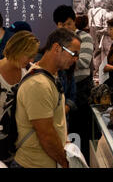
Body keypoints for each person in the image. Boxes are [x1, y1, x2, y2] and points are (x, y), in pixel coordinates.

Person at [11, 28, 81, 168]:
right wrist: (64, 162)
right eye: (73, 54)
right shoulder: (38, 84)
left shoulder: (50, 76)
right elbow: (46, 135)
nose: (76, 59)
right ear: (56, 48)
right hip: (33, 164)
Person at [53, 5, 94, 161]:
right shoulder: (56, 40)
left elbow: (84, 61)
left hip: (82, 90)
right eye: (61, 25)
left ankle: (83, 162)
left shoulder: (84, 37)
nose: (66, 28)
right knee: (64, 131)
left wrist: (62, 61)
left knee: (81, 132)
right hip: (61, 90)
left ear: (75, 21)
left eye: (69, 23)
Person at [0, 31, 40, 122]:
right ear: (16, 50)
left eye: (33, 56)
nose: (31, 60)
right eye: (29, 56)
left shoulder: (30, 70)